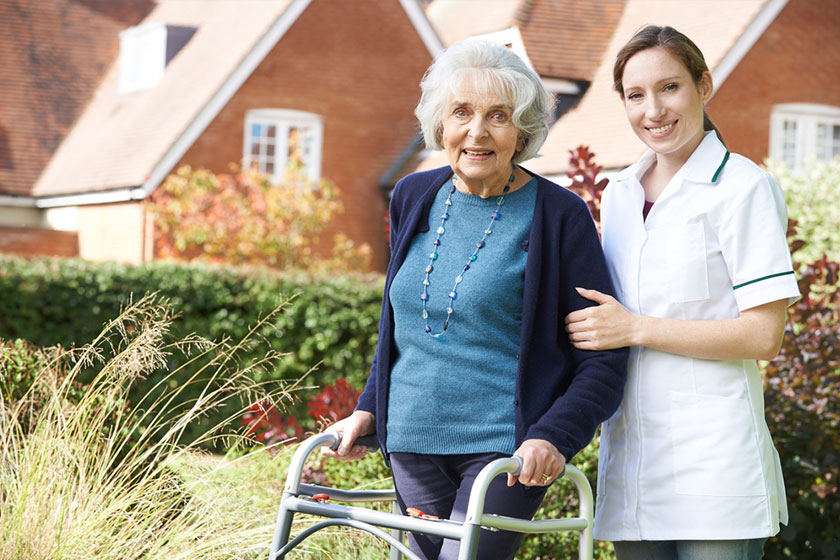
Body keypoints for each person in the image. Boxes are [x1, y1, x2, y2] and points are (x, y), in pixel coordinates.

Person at [324, 38, 628, 560]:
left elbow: (604, 359)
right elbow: (400, 329)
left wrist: (554, 437)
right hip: (412, 443)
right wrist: (370, 408)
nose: (477, 131)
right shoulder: (413, 196)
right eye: (461, 112)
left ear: (523, 130)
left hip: (506, 453)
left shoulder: (560, 216)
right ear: (440, 123)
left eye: (498, 116)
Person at [564, 25, 800, 560]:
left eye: (669, 87)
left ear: (704, 86)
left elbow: (764, 335)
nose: (654, 110)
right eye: (635, 95)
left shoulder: (744, 188)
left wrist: (637, 328)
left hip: (715, 465)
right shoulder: (619, 194)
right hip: (634, 464)